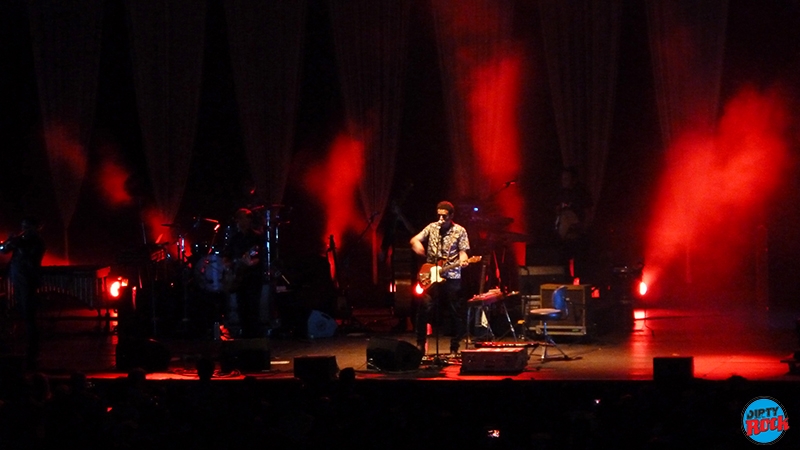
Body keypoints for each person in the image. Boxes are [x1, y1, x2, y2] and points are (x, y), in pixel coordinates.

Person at [410, 201, 470, 355]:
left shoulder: (460, 231)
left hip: (452, 275)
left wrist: (463, 259)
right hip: (432, 274)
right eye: (439, 215)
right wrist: (418, 247)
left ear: (451, 216)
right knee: (424, 307)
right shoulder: (432, 227)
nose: (441, 218)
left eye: (445, 215)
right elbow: (415, 239)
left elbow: (463, 251)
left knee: (454, 309)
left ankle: (455, 344)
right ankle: (420, 343)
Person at [0, 217, 46, 369]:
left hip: (27, 280)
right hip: (17, 280)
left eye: (27, 226)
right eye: (23, 226)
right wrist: (9, 241)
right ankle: (25, 350)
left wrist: (18, 243)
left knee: (29, 315)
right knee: (22, 313)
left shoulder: (37, 241)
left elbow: (31, 257)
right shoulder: (21, 240)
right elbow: (3, 250)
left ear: (35, 228)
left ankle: (33, 351)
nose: (24, 229)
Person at [221, 208, 265, 338]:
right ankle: (245, 338)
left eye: (241, 218)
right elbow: (226, 256)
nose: (239, 222)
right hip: (239, 279)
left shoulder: (257, 237)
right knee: (242, 308)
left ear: (249, 220)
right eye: (238, 219)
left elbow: (259, 256)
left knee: (253, 308)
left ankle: (254, 339)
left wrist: (251, 263)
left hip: (253, 277)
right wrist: (229, 265)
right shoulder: (235, 238)